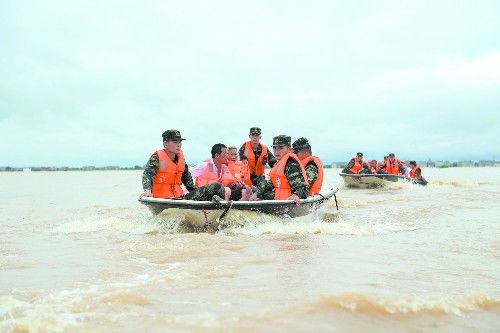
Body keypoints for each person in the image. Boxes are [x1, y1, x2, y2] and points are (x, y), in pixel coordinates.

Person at [141, 130, 225, 201]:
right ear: (165, 144)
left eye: (180, 142)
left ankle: (218, 209)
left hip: (179, 198)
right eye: (175, 142)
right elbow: (147, 175)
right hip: (161, 199)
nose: (179, 145)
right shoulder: (156, 157)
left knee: (217, 186)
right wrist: (147, 190)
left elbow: (189, 184)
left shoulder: (181, 161)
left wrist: (203, 195)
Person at [251, 135, 309, 205]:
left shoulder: (291, 165)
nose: (276, 151)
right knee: (259, 192)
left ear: (289, 149)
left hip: (288, 202)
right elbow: (270, 184)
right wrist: (257, 193)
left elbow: (302, 188)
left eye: (281, 148)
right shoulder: (279, 164)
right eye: (275, 148)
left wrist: (296, 195)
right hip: (279, 199)